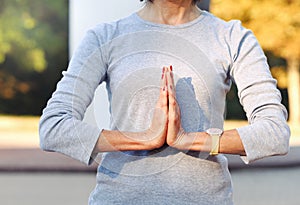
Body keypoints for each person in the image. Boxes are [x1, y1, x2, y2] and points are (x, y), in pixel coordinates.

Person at [39, 0, 290, 204]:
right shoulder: (104, 37)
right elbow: (53, 127)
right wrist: (144, 138)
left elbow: (274, 133)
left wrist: (190, 140)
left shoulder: (232, 37)